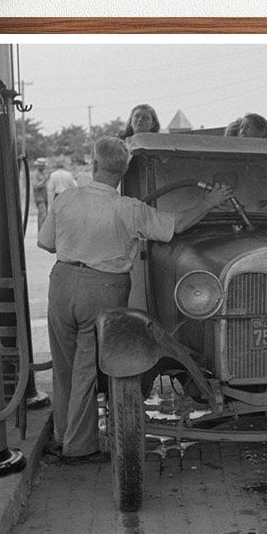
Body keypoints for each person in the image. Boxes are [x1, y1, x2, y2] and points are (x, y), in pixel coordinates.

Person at [38, 137, 232, 462]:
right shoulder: (128, 209)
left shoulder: (67, 198)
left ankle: (62, 437)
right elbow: (178, 224)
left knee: (64, 366)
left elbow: (46, 244)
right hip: (102, 288)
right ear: (124, 169)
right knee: (87, 368)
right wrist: (210, 201)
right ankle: (78, 449)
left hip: (62, 282)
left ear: (94, 162)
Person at [30, 157, 49, 230]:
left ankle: (42, 232)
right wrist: (45, 180)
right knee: (43, 215)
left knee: (43, 215)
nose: (44, 167)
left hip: (44, 197)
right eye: (43, 165)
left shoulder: (42, 173)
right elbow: (36, 186)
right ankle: (42, 232)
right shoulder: (35, 174)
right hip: (39, 198)